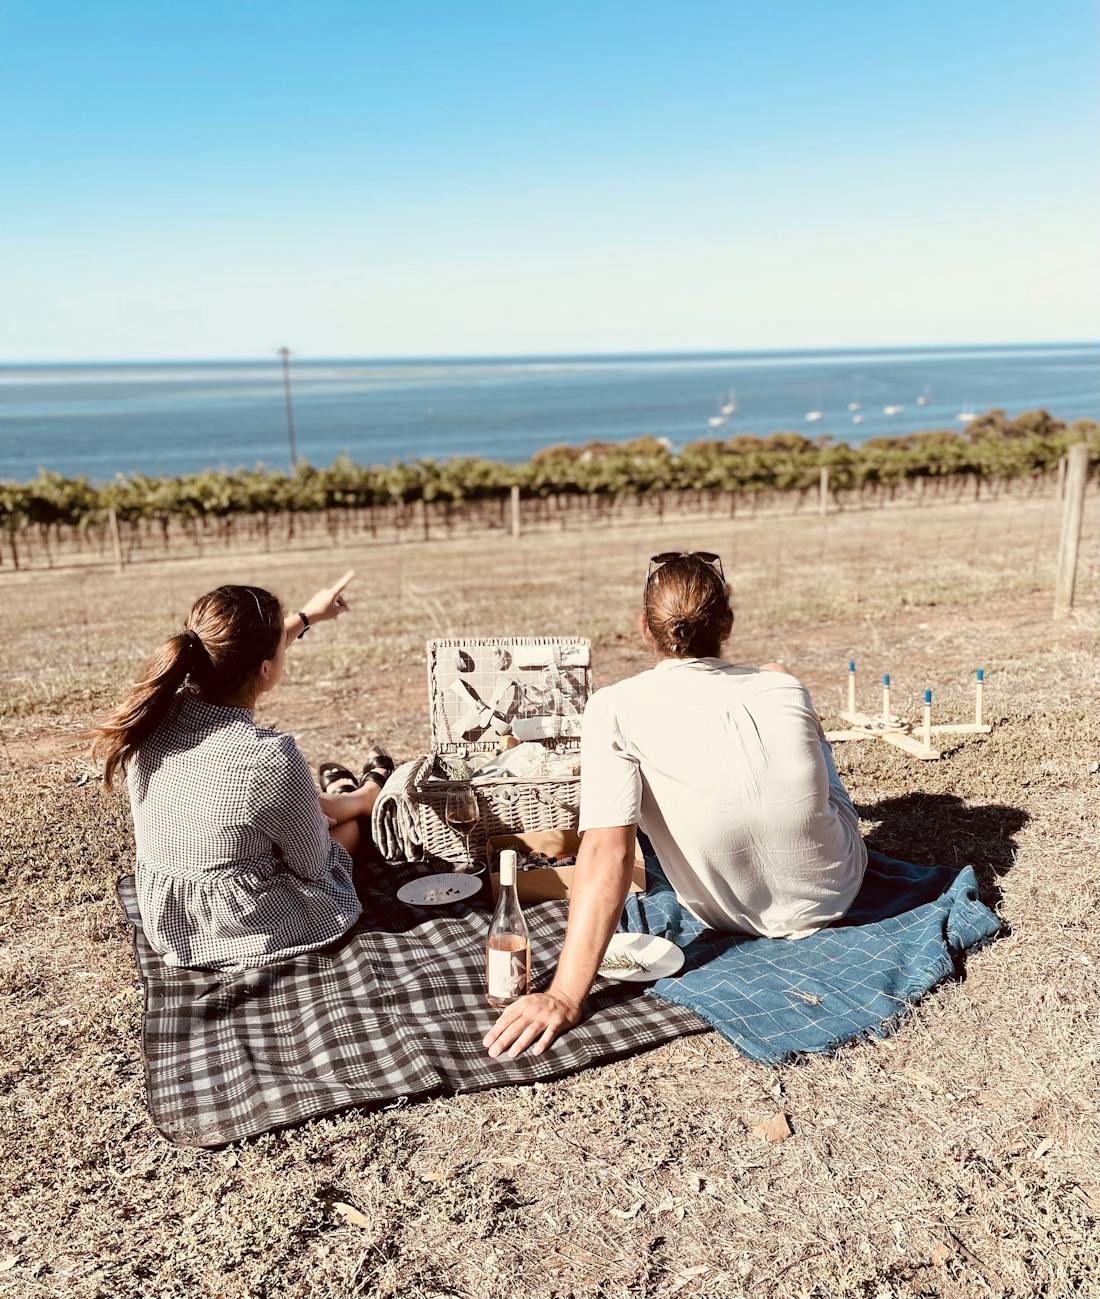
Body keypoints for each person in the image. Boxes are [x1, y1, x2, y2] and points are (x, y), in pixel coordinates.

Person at [484, 550, 867, 1059]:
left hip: (725, 914)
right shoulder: (786, 687)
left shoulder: (614, 706)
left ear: (646, 627)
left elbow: (607, 852)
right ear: (726, 623)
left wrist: (563, 995)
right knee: (797, 717)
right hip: (834, 892)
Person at [93, 571, 383, 972]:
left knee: (291, 808)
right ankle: (366, 799)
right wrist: (313, 824)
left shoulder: (158, 711)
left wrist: (308, 616)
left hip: (169, 916)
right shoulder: (267, 758)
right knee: (347, 835)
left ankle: (358, 795)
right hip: (236, 924)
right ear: (265, 670)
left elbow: (231, 652)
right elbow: (314, 865)